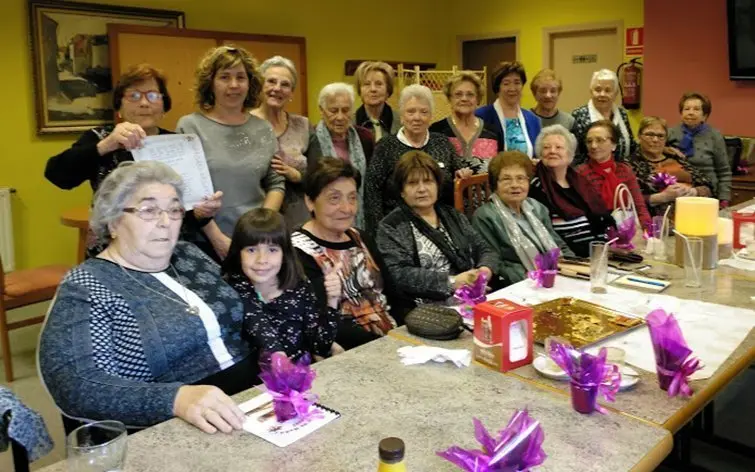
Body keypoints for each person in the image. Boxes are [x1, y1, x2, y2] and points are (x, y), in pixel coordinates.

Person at [38, 161, 255, 434]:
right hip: (177, 424)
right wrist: (174, 399)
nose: (166, 222)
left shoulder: (189, 255)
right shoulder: (87, 286)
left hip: (253, 399)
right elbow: (76, 385)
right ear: (114, 221)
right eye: (149, 210)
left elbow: (247, 309)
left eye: (175, 210)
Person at [44, 64, 221, 257]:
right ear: (119, 107)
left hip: (171, 247)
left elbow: (186, 209)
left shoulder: (177, 144)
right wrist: (106, 145)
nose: (144, 103)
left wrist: (201, 213)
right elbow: (57, 175)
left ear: (164, 107)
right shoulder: (101, 138)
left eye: (153, 96)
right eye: (134, 96)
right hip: (114, 249)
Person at [177, 45, 285, 259]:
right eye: (224, 77)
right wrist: (217, 239)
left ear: (250, 83)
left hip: (256, 242)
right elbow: (185, 194)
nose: (234, 85)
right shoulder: (189, 127)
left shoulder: (263, 129)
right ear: (211, 83)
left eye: (240, 77)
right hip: (205, 241)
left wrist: (259, 231)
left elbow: (276, 183)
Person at [292, 158, 397, 350]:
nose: (347, 208)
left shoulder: (360, 237)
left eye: (352, 197)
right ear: (310, 201)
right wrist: (387, 345)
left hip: (394, 338)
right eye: (334, 198)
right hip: (350, 350)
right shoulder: (298, 252)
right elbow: (321, 321)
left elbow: (393, 294)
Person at [376, 151, 500, 315]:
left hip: (471, 300)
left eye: (428, 181)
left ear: (437, 185)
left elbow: (484, 248)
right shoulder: (391, 226)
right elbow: (399, 275)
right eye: (413, 183)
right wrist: (452, 282)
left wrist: (483, 272)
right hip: (426, 312)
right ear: (401, 191)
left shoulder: (452, 215)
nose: (422, 189)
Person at [223, 208, 341, 361]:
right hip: (256, 381)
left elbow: (320, 346)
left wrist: (332, 300)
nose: (261, 259)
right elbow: (257, 324)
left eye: (272, 250)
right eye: (251, 250)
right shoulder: (234, 287)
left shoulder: (299, 285)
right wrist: (279, 358)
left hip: (302, 374)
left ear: (285, 254)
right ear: (238, 253)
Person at [365, 84, 469, 232]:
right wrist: (379, 232)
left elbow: (458, 176)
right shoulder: (386, 146)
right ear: (401, 116)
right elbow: (372, 192)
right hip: (398, 227)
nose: (417, 118)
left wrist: (462, 175)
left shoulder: (442, 142)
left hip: (440, 224)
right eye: (411, 111)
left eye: (424, 112)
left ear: (431, 116)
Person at [473, 151, 574, 283]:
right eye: (506, 179)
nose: (515, 185)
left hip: (554, 275)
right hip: (521, 282)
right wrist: (531, 277)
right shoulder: (485, 216)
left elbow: (557, 244)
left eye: (521, 178)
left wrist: (575, 265)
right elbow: (494, 262)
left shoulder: (537, 208)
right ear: (495, 184)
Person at [529, 125, 615, 257]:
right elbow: (546, 233)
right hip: (568, 257)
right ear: (540, 154)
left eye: (559, 147)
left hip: (599, 251)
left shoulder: (581, 182)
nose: (552, 151)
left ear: (570, 155)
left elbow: (600, 217)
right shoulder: (536, 187)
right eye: (546, 147)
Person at [251, 56, 311, 229]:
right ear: (260, 86)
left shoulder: (303, 126)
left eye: (285, 85)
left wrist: (296, 175)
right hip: (258, 220)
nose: (277, 88)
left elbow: (319, 174)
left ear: (292, 92)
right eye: (271, 81)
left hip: (299, 220)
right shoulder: (244, 124)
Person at [307, 82, 374, 228]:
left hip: (360, 219)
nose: (340, 117)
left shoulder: (365, 138)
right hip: (322, 221)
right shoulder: (310, 139)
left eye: (345, 110)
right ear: (321, 110)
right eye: (333, 110)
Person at [576, 120, 652, 231]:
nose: (593, 146)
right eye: (589, 141)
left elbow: (639, 206)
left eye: (600, 140)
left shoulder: (625, 170)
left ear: (614, 145)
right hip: (596, 231)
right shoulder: (580, 173)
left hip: (627, 229)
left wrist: (649, 232)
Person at [630, 117, 713, 217]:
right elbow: (627, 200)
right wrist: (661, 197)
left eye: (660, 136)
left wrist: (692, 192)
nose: (655, 140)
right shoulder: (630, 164)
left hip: (691, 215)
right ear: (639, 136)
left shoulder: (677, 158)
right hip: (654, 221)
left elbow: (708, 186)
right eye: (649, 134)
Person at [430, 72, 502, 173]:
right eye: (458, 94)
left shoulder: (493, 132)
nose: (464, 99)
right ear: (449, 99)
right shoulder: (436, 131)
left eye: (470, 94)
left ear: (478, 99)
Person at [667, 92, 732, 205]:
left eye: (696, 109)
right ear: (681, 113)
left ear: (704, 115)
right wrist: (666, 149)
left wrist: (724, 198)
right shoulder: (670, 133)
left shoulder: (714, 136)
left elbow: (724, 171)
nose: (690, 113)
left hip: (707, 193)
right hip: (677, 192)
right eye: (686, 109)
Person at [475, 61, 541, 159]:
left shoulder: (533, 120)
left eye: (517, 82)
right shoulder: (481, 116)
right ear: (498, 87)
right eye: (506, 83)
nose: (512, 88)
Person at [571, 69, 637, 165]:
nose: (602, 94)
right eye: (597, 90)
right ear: (591, 91)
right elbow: (574, 154)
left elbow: (631, 146)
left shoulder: (622, 114)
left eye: (608, 90)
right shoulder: (578, 115)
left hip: (620, 173)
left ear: (615, 94)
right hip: (587, 175)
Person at [353, 61, 401, 141]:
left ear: (388, 89)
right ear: (360, 90)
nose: (373, 89)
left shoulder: (401, 122)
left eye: (379, 84)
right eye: (367, 84)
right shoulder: (350, 123)